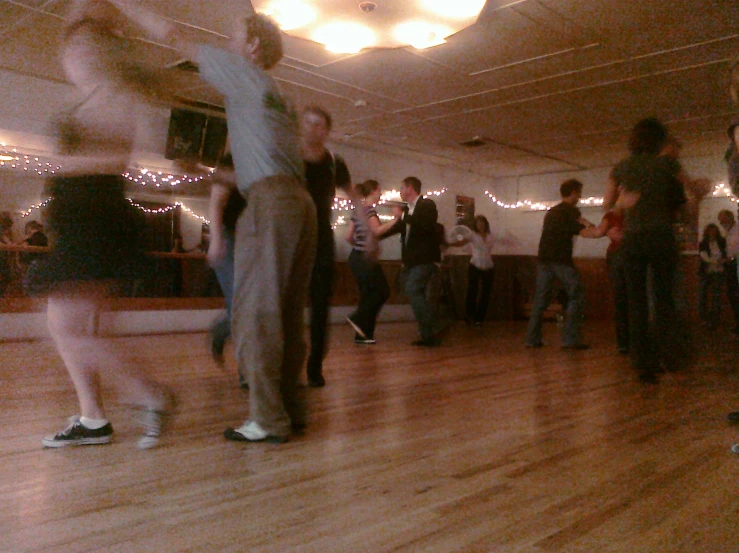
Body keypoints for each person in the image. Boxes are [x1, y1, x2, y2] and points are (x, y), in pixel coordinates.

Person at [114, 0, 319, 443]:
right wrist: (204, 172)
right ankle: (289, 411)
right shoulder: (280, 97)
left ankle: (267, 419)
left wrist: (122, 4)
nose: (227, 43)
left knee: (255, 313)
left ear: (252, 45)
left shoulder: (243, 74)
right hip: (297, 204)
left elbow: (172, 34)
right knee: (284, 314)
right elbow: (259, 165)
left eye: (234, 35)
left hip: (270, 204)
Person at [24, 0, 172, 449]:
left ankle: (152, 396)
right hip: (82, 215)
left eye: (83, 48)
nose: (72, 54)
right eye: (71, 49)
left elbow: (114, 161)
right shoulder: (87, 94)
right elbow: (79, 18)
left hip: (95, 214)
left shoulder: (116, 92)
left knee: (65, 326)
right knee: (80, 327)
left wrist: (56, 161)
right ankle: (93, 419)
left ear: (101, 53)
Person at [604, 118, 710, 384]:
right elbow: (688, 204)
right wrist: (699, 192)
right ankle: (671, 359)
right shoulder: (668, 166)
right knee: (664, 301)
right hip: (661, 238)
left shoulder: (622, 167)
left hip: (633, 241)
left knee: (637, 303)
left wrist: (623, 202)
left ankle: (643, 364)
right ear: (660, 140)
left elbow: (607, 203)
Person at [301, 106, 352, 387]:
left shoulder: (334, 162)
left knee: (320, 305)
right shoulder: (288, 157)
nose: (312, 128)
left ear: (326, 130)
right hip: (291, 236)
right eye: (307, 123)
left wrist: (367, 234)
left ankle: (315, 365)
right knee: (287, 304)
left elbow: (353, 196)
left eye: (318, 124)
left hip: (321, 238)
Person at [525, 179, 597, 350]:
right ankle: (570, 340)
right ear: (572, 192)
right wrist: (591, 225)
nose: (580, 196)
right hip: (561, 260)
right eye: (579, 192)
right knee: (576, 295)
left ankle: (532, 339)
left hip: (544, 259)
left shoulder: (552, 211)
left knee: (540, 300)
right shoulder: (571, 211)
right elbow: (585, 233)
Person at [383, 176, 442, 346]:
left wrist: (402, 217)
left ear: (410, 188)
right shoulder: (408, 210)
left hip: (425, 259)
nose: (400, 192)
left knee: (412, 289)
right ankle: (428, 336)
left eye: (402, 188)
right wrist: (374, 236)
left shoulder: (427, 205)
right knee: (416, 292)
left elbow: (425, 225)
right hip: (412, 260)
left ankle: (432, 325)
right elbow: (399, 228)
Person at [204, 153, 247, 383]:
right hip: (231, 239)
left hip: (253, 240)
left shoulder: (265, 159)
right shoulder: (234, 158)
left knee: (246, 305)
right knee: (239, 304)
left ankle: (221, 330)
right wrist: (216, 239)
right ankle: (246, 371)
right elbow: (217, 201)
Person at [344, 179, 400, 344]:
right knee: (382, 292)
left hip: (356, 257)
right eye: (379, 191)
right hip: (365, 260)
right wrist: (395, 219)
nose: (381, 194)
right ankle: (357, 317)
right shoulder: (369, 210)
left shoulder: (358, 210)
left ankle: (363, 335)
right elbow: (376, 230)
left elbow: (348, 236)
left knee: (368, 295)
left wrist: (359, 247)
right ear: (373, 191)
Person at [579, 207, 628, 353]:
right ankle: (639, 342)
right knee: (637, 298)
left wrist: (586, 226)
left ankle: (623, 343)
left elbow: (597, 233)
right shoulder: (639, 212)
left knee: (620, 299)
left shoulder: (612, 215)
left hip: (617, 256)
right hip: (635, 256)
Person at [697, 223, 726, 329]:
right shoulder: (703, 243)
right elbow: (704, 257)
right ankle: (704, 318)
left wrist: (721, 261)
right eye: (710, 231)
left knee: (716, 296)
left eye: (714, 231)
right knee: (702, 295)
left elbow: (726, 254)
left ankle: (714, 320)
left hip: (718, 272)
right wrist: (716, 261)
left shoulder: (722, 242)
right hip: (706, 272)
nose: (712, 233)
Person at [718, 209, 739, 334]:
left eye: (723, 219)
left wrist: (729, 258)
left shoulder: (736, 231)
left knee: (735, 294)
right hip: (731, 266)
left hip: (735, 265)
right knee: (733, 295)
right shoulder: (729, 232)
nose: (721, 222)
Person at [0, 211, 13, 297]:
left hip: (2, 257)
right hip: (2, 257)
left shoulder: (2, 231)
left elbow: (9, 243)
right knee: (7, 276)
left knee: (7, 276)